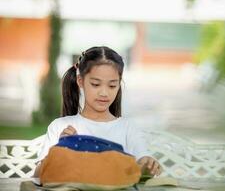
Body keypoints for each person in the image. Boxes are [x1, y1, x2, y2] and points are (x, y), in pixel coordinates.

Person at [34, 46, 162, 177]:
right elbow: (38, 176)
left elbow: (143, 165)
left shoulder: (128, 128)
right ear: (80, 81)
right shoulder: (60, 127)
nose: (104, 93)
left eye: (112, 85)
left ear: (119, 84)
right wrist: (60, 150)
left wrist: (148, 166)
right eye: (95, 84)